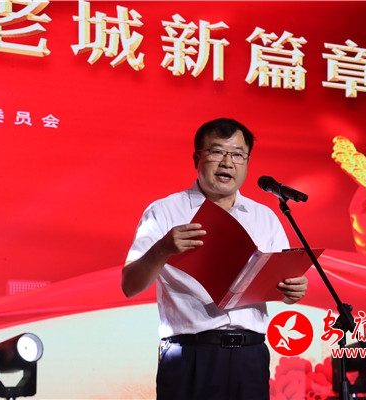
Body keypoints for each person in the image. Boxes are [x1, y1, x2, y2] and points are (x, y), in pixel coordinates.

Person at [121, 117, 309, 400]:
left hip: (250, 357)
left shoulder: (265, 217)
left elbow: (283, 285)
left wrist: (294, 289)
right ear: (197, 158)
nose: (227, 162)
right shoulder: (164, 212)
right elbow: (130, 285)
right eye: (217, 152)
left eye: (238, 154)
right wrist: (163, 249)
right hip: (190, 356)